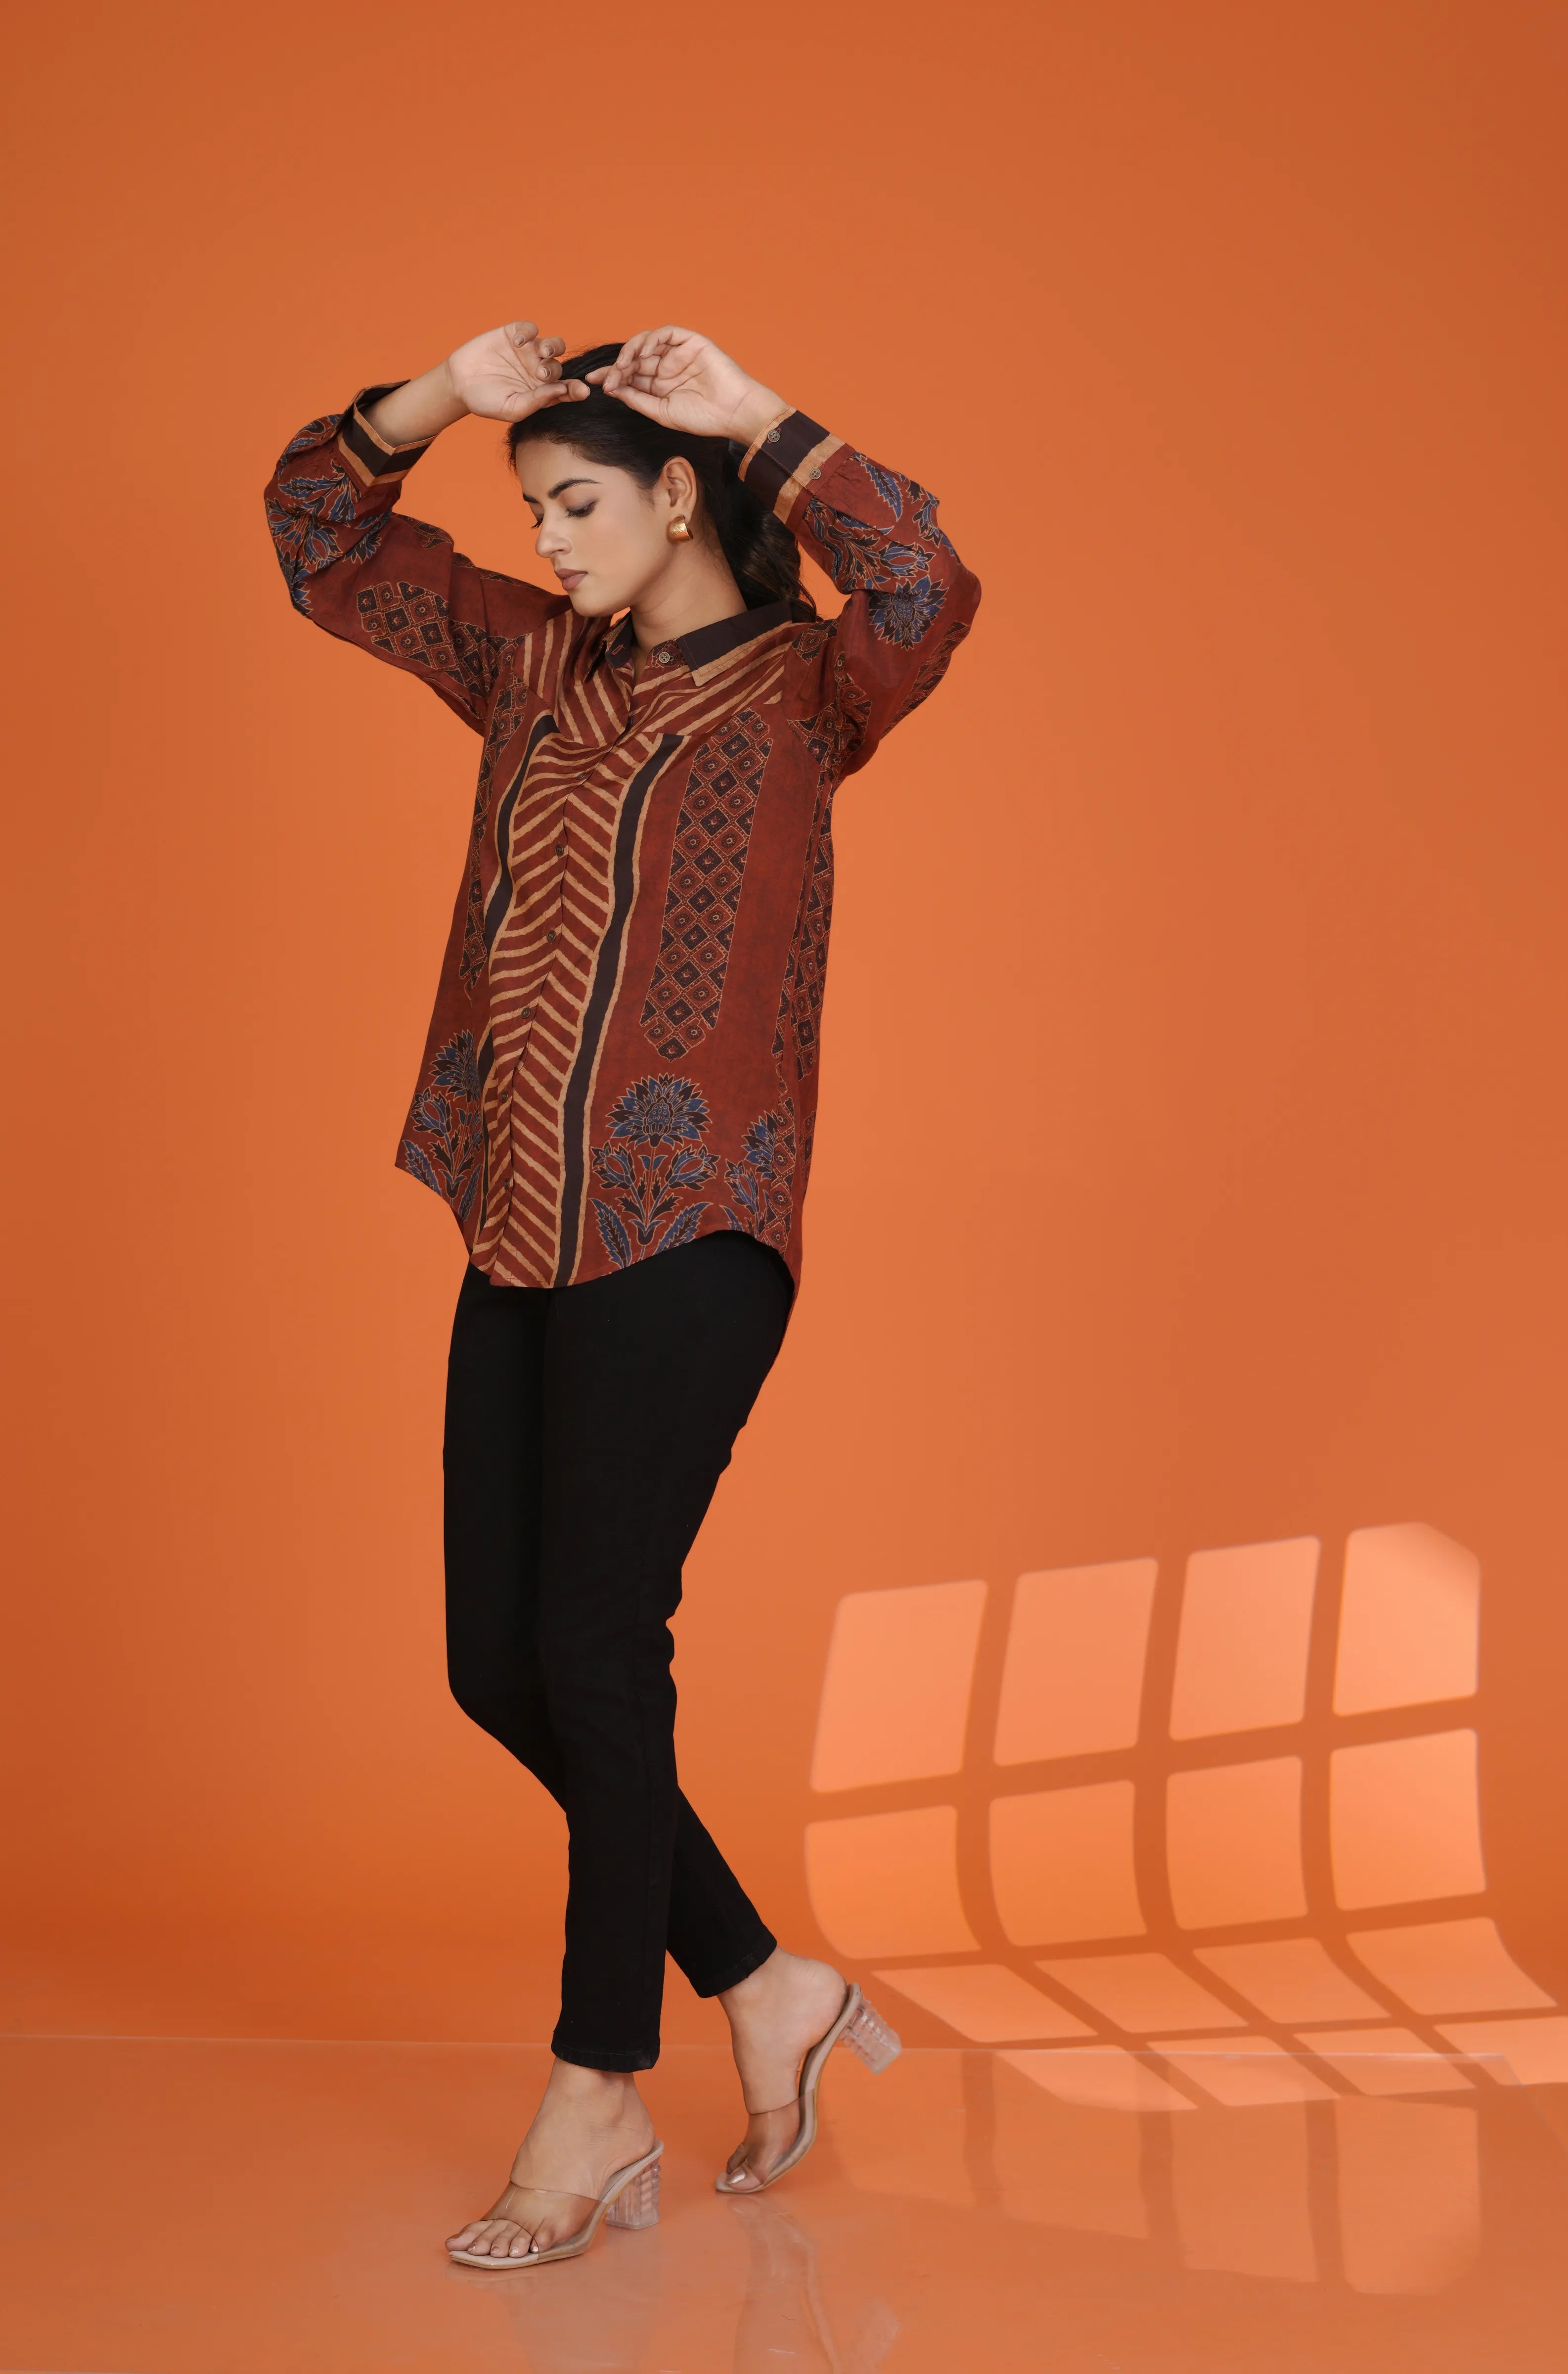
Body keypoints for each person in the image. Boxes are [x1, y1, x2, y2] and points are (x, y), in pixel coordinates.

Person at [264, 320, 979, 2266]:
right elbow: (321, 536)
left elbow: (922, 577)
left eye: (575, 504)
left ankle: (595, 2095)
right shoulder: (529, 661)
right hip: (520, 1213)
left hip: (692, 1226)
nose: (550, 543)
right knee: (499, 1667)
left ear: (675, 499)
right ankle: (765, 1984)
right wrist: (444, 391)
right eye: (532, 513)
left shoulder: (809, 692)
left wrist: (752, 413)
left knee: (594, 1643)